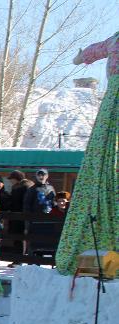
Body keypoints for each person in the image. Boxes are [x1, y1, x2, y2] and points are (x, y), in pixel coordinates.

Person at [57, 33, 119, 273]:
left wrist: (80, 57)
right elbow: (93, 50)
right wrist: (81, 57)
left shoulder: (114, 41)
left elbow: (93, 50)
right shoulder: (114, 41)